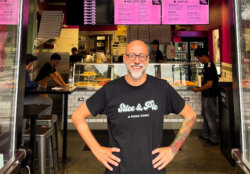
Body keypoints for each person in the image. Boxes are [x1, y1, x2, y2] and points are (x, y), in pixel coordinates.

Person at [72, 40, 197, 174]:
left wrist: (173, 149)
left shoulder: (162, 88)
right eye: (132, 55)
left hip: (153, 169)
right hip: (118, 169)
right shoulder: (110, 89)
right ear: (125, 59)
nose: (137, 61)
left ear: (148, 60)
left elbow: (191, 116)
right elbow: (77, 116)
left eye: (142, 56)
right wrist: (96, 149)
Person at [192, 48, 219, 146]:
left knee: (210, 118)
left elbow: (209, 84)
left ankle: (214, 139)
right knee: (206, 116)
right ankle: (205, 135)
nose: (199, 60)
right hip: (206, 95)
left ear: (203, 56)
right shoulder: (206, 66)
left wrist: (197, 90)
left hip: (209, 96)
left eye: (199, 58)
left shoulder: (209, 67)